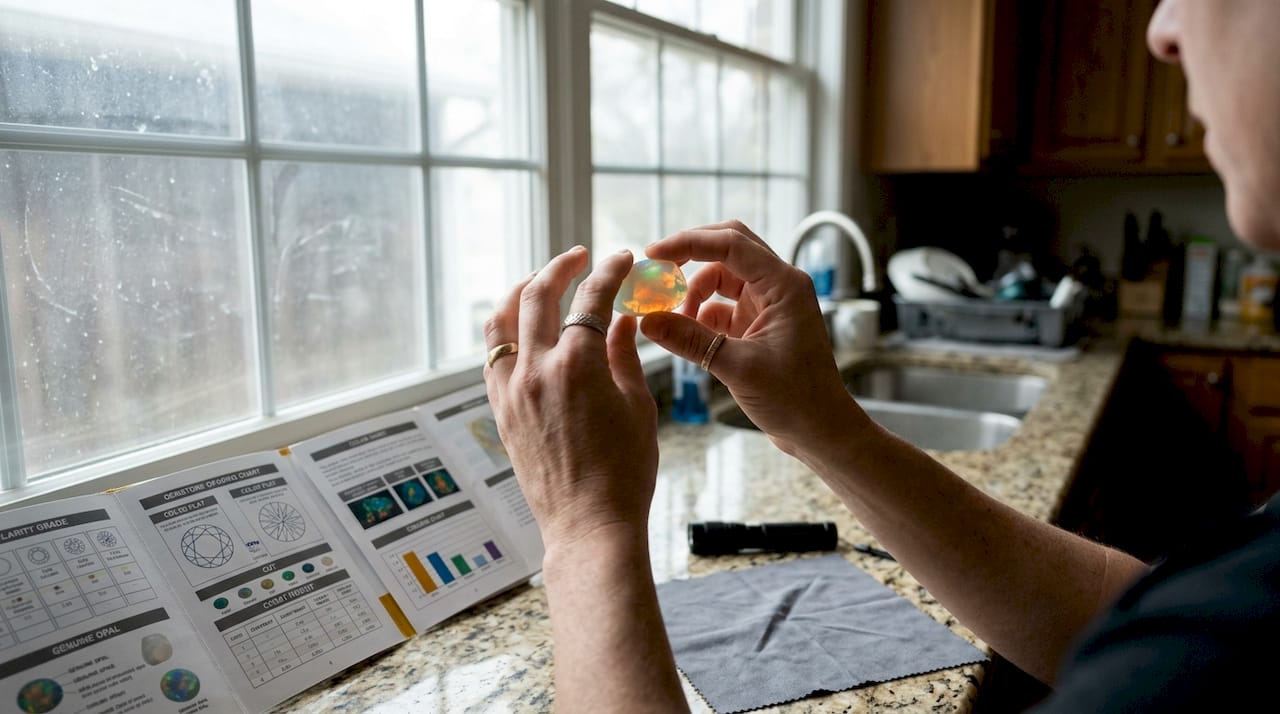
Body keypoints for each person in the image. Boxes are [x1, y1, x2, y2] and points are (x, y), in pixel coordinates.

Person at [481, 1, 1280, 711]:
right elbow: (1127, 619)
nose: (1162, 28)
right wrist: (823, 426)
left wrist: (587, 533)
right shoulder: (1227, 625)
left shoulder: (1202, 667)